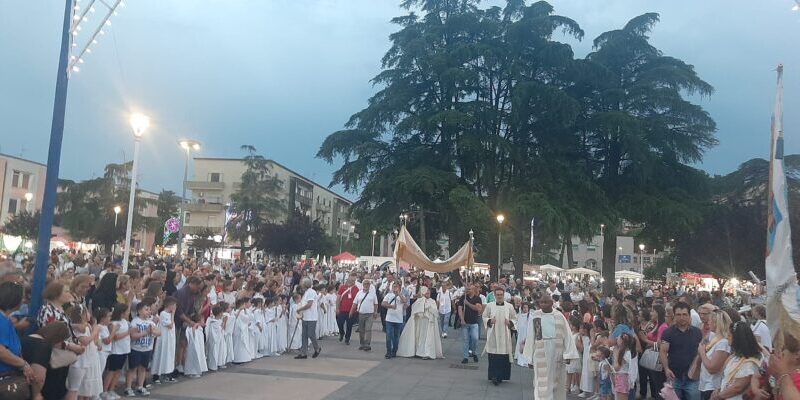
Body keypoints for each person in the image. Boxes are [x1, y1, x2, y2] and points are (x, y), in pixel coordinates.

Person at [522, 294, 580, 400]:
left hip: (556, 352)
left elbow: (567, 336)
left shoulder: (559, 316)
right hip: (541, 351)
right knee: (541, 382)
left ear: (551, 303)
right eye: (541, 302)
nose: (543, 304)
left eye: (546, 302)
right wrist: (529, 359)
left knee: (556, 382)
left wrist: (568, 354)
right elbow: (531, 336)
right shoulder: (536, 316)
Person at [0, 281, 38, 398]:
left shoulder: (6, 320)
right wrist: (24, 364)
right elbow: (1, 351)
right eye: (22, 297)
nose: (24, 300)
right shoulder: (2, 321)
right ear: (13, 299)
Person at [660, 301, 703, 400]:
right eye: (678, 315)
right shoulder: (668, 333)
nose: (682, 317)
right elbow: (663, 352)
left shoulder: (697, 332)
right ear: (674, 316)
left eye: (684, 314)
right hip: (674, 377)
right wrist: (666, 368)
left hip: (693, 378)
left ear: (689, 315)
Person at [712, 321, 761, 400]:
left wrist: (718, 396)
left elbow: (738, 387)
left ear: (737, 339)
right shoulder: (735, 357)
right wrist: (718, 390)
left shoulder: (749, 363)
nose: (727, 337)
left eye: (729, 335)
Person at [482, 287, 517, 386]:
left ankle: (501, 376)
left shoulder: (509, 306)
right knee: (493, 356)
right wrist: (489, 321)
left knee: (503, 356)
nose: (499, 296)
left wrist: (510, 322)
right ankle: (494, 376)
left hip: (505, 334)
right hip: (493, 333)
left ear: (504, 294)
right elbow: (484, 317)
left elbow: (515, 318)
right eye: (497, 295)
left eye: (501, 294)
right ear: (494, 295)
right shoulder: (489, 306)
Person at [397, 286, 442, 360]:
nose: (428, 293)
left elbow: (436, 313)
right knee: (420, 338)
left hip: (429, 323)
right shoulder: (419, 301)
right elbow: (415, 311)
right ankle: (419, 352)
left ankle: (427, 353)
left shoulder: (432, 301)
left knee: (428, 338)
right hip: (421, 323)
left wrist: (429, 308)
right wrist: (422, 309)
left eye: (429, 292)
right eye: (426, 292)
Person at [125, 302, 160, 397]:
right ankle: (128, 387)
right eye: (146, 309)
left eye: (149, 310)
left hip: (147, 349)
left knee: (143, 368)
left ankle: (140, 386)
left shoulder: (151, 322)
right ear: (139, 311)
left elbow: (159, 332)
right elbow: (133, 336)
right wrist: (145, 332)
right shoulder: (135, 322)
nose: (149, 312)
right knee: (132, 368)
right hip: (136, 349)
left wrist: (152, 331)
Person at [697, 309, 731, 400]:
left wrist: (702, 353)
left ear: (716, 323)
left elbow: (713, 368)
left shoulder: (723, 343)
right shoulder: (714, 338)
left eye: (710, 320)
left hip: (712, 386)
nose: (708, 323)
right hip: (705, 385)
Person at [151, 297, 177, 383]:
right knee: (161, 354)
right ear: (170, 305)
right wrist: (173, 314)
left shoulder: (168, 314)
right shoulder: (163, 314)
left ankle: (168, 373)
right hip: (164, 339)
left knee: (169, 356)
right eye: (174, 305)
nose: (175, 307)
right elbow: (170, 325)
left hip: (170, 339)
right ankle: (156, 375)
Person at [294, 278, 321, 359]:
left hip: (312, 317)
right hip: (306, 317)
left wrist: (300, 310)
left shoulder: (311, 292)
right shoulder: (306, 292)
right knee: (304, 335)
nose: (301, 284)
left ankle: (317, 348)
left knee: (310, 334)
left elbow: (309, 304)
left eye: (302, 283)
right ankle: (303, 353)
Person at [457, 284, 483, 364]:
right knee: (465, 340)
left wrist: (468, 304)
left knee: (475, 339)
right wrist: (461, 319)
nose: (468, 290)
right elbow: (460, 308)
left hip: (474, 322)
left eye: (469, 289)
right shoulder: (463, 297)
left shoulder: (477, 298)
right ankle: (465, 357)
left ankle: (473, 352)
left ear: (473, 290)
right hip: (465, 323)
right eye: (467, 289)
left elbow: (478, 309)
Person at [350, 279, 379, 351]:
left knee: (368, 329)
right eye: (365, 284)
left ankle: (367, 344)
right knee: (361, 330)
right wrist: (351, 311)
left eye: (368, 284)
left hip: (370, 314)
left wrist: (375, 312)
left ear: (369, 285)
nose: (366, 285)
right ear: (363, 285)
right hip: (361, 314)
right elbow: (355, 303)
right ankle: (362, 343)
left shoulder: (373, 293)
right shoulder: (359, 293)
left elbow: (376, 304)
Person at [381, 282, 406, 359]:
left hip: (398, 319)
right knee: (389, 335)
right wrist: (391, 306)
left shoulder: (402, 295)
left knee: (396, 336)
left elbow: (404, 301)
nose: (395, 288)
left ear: (399, 288)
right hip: (389, 319)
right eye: (394, 287)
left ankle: (394, 351)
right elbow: (383, 303)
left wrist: (399, 294)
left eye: (396, 287)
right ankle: (388, 351)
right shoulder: (389, 295)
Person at [336, 276, 358, 345]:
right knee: (340, 323)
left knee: (349, 325)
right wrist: (337, 308)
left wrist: (356, 310)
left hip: (351, 310)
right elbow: (338, 298)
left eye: (353, 281)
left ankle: (347, 339)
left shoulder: (356, 289)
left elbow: (357, 300)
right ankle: (342, 333)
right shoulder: (342, 287)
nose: (351, 282)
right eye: (350, 280)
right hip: (342, 310)